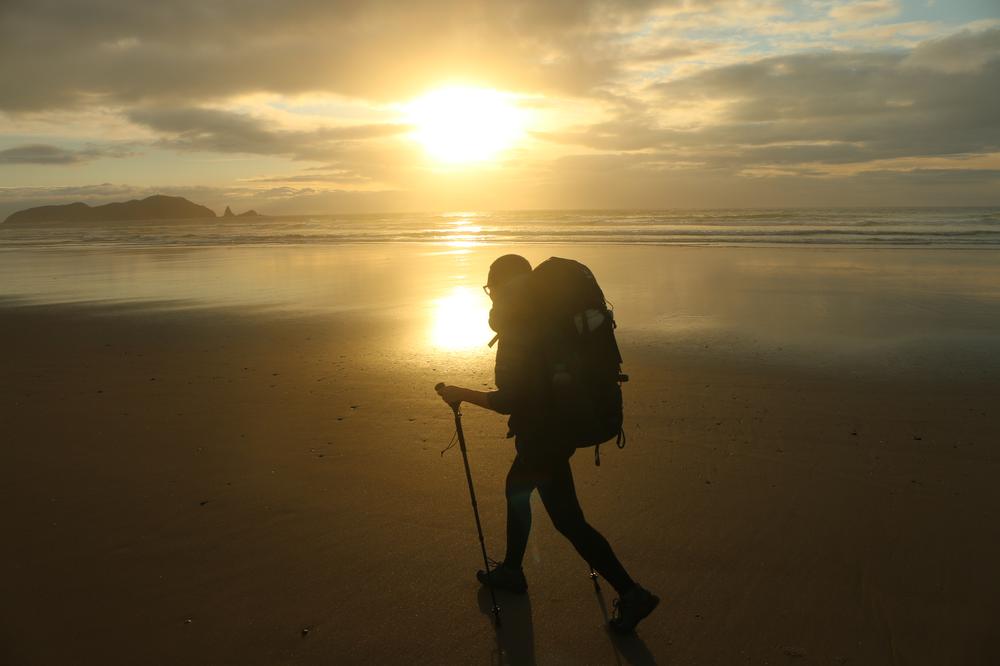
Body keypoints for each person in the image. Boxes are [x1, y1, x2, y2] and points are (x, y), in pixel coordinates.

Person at [436, 254, 659, 634]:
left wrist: (459, 393)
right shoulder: (543, 320)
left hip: (545, 436)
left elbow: (510, 400)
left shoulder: (521, 327)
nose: (492, 299)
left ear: (503, 288)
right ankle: (511, 570)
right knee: (516, 489)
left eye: (493, 289)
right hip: (556, 428)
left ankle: (632, 592)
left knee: (568, 521)